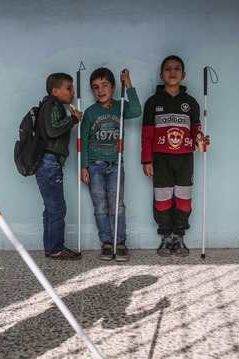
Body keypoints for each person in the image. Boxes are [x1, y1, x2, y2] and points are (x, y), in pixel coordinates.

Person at [141, 55, 210, 257]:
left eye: (177, 69)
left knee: (183, 199)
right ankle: (165, 236)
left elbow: (195, 130)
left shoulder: (191, 103)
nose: (172, 72)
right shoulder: (152, 102)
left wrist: (200, 140)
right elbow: (147, 134)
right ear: (161, 74)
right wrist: (146, 160)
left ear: (183, 74)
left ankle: (179, 236)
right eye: (168, 69)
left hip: (185, 159)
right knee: (162, 199)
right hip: (160, 158)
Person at [80, 68, 141, 261]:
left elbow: (137, 111)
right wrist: (84, 166)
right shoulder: (90, 112)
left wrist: (128, 84)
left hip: (115, 163)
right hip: (94, 164)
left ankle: (120, 242)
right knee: (100, 206)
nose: (100, 90)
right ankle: (106, 242)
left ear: (114, 87)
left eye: (104, 85)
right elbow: (83, 141)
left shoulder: (121, 107)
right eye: (95, 87)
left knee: (117, 205)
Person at [35, 72, 83, 260]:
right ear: (55, 91)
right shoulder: (52, 106)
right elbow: (53, 130)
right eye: (69, 88)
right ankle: (56, 249)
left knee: (50, 208)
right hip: (49, 163)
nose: (72, 92)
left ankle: (50, 247)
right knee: (57, 208)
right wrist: (74, 119)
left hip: (46, 162)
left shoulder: (50, 106)